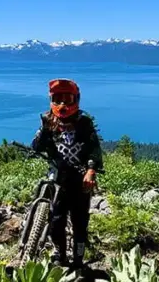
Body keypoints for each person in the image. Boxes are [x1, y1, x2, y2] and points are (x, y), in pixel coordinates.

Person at [31, 78, 104, 270]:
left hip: (80, 179)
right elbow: (36, 146)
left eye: (67, 98)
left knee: (80, 221)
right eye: (58, 98)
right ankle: (59, 255)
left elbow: (94, 149)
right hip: (58, 180)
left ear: (76, 99)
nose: (63, 104)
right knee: (56, 220)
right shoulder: (48, 121)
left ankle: (79, 261)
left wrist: (90, 170)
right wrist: (44, 129)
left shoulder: (84, 122)